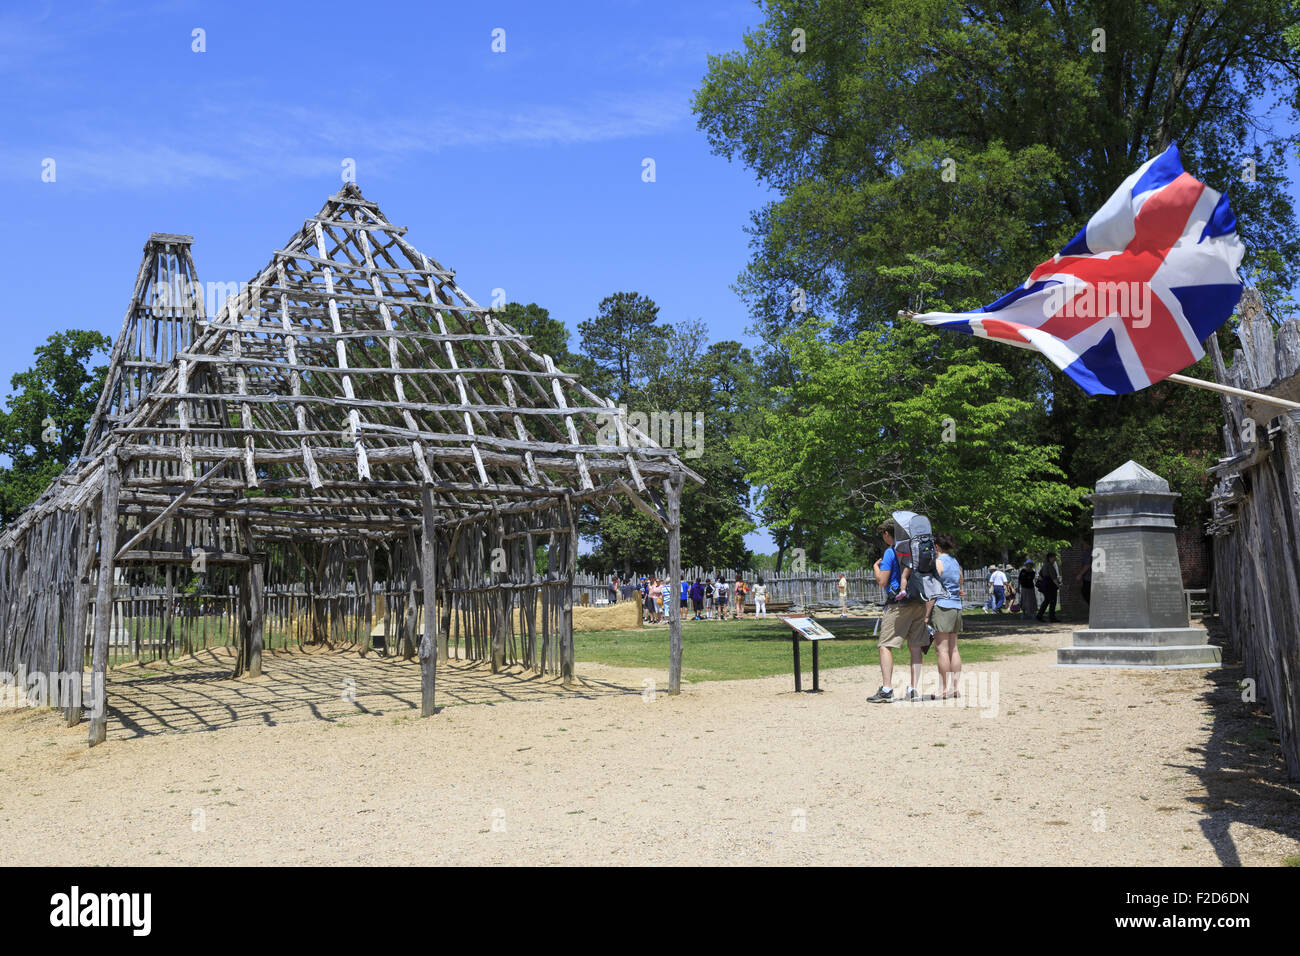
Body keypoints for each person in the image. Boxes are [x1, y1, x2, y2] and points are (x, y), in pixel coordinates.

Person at [868, 521, 928, 703]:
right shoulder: (914, 550)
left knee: (885, 645)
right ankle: (914, 689)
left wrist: (876, 568)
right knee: (916, 646)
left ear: (887, 534)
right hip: (919, 602)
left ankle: (886, 689)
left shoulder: (890, 551)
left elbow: (883, 581)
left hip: (898, 604)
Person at [924, 532, 964, 700]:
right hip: (956, 607)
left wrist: (926, 616)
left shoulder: (938, 562)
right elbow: (960, 581)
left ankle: (942, 689)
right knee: (953, 649)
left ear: (937, 547)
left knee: (941, 650)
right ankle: (955, 688)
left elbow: (932, 592)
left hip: (942, 607)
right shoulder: (955, 562)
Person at [1036, 553, 1061, 623]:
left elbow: (1040, 576)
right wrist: (1058, 586)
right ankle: (1052, 617)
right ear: (1050, 558)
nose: (1055, 559)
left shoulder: (1044, 565)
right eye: (1054, 557)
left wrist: (1043, 582)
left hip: (1046, 585)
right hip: (1050, 586)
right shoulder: (1049, 565)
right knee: (1053, 601)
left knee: (1047, 600)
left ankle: (1039, 615)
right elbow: (1053, 578)